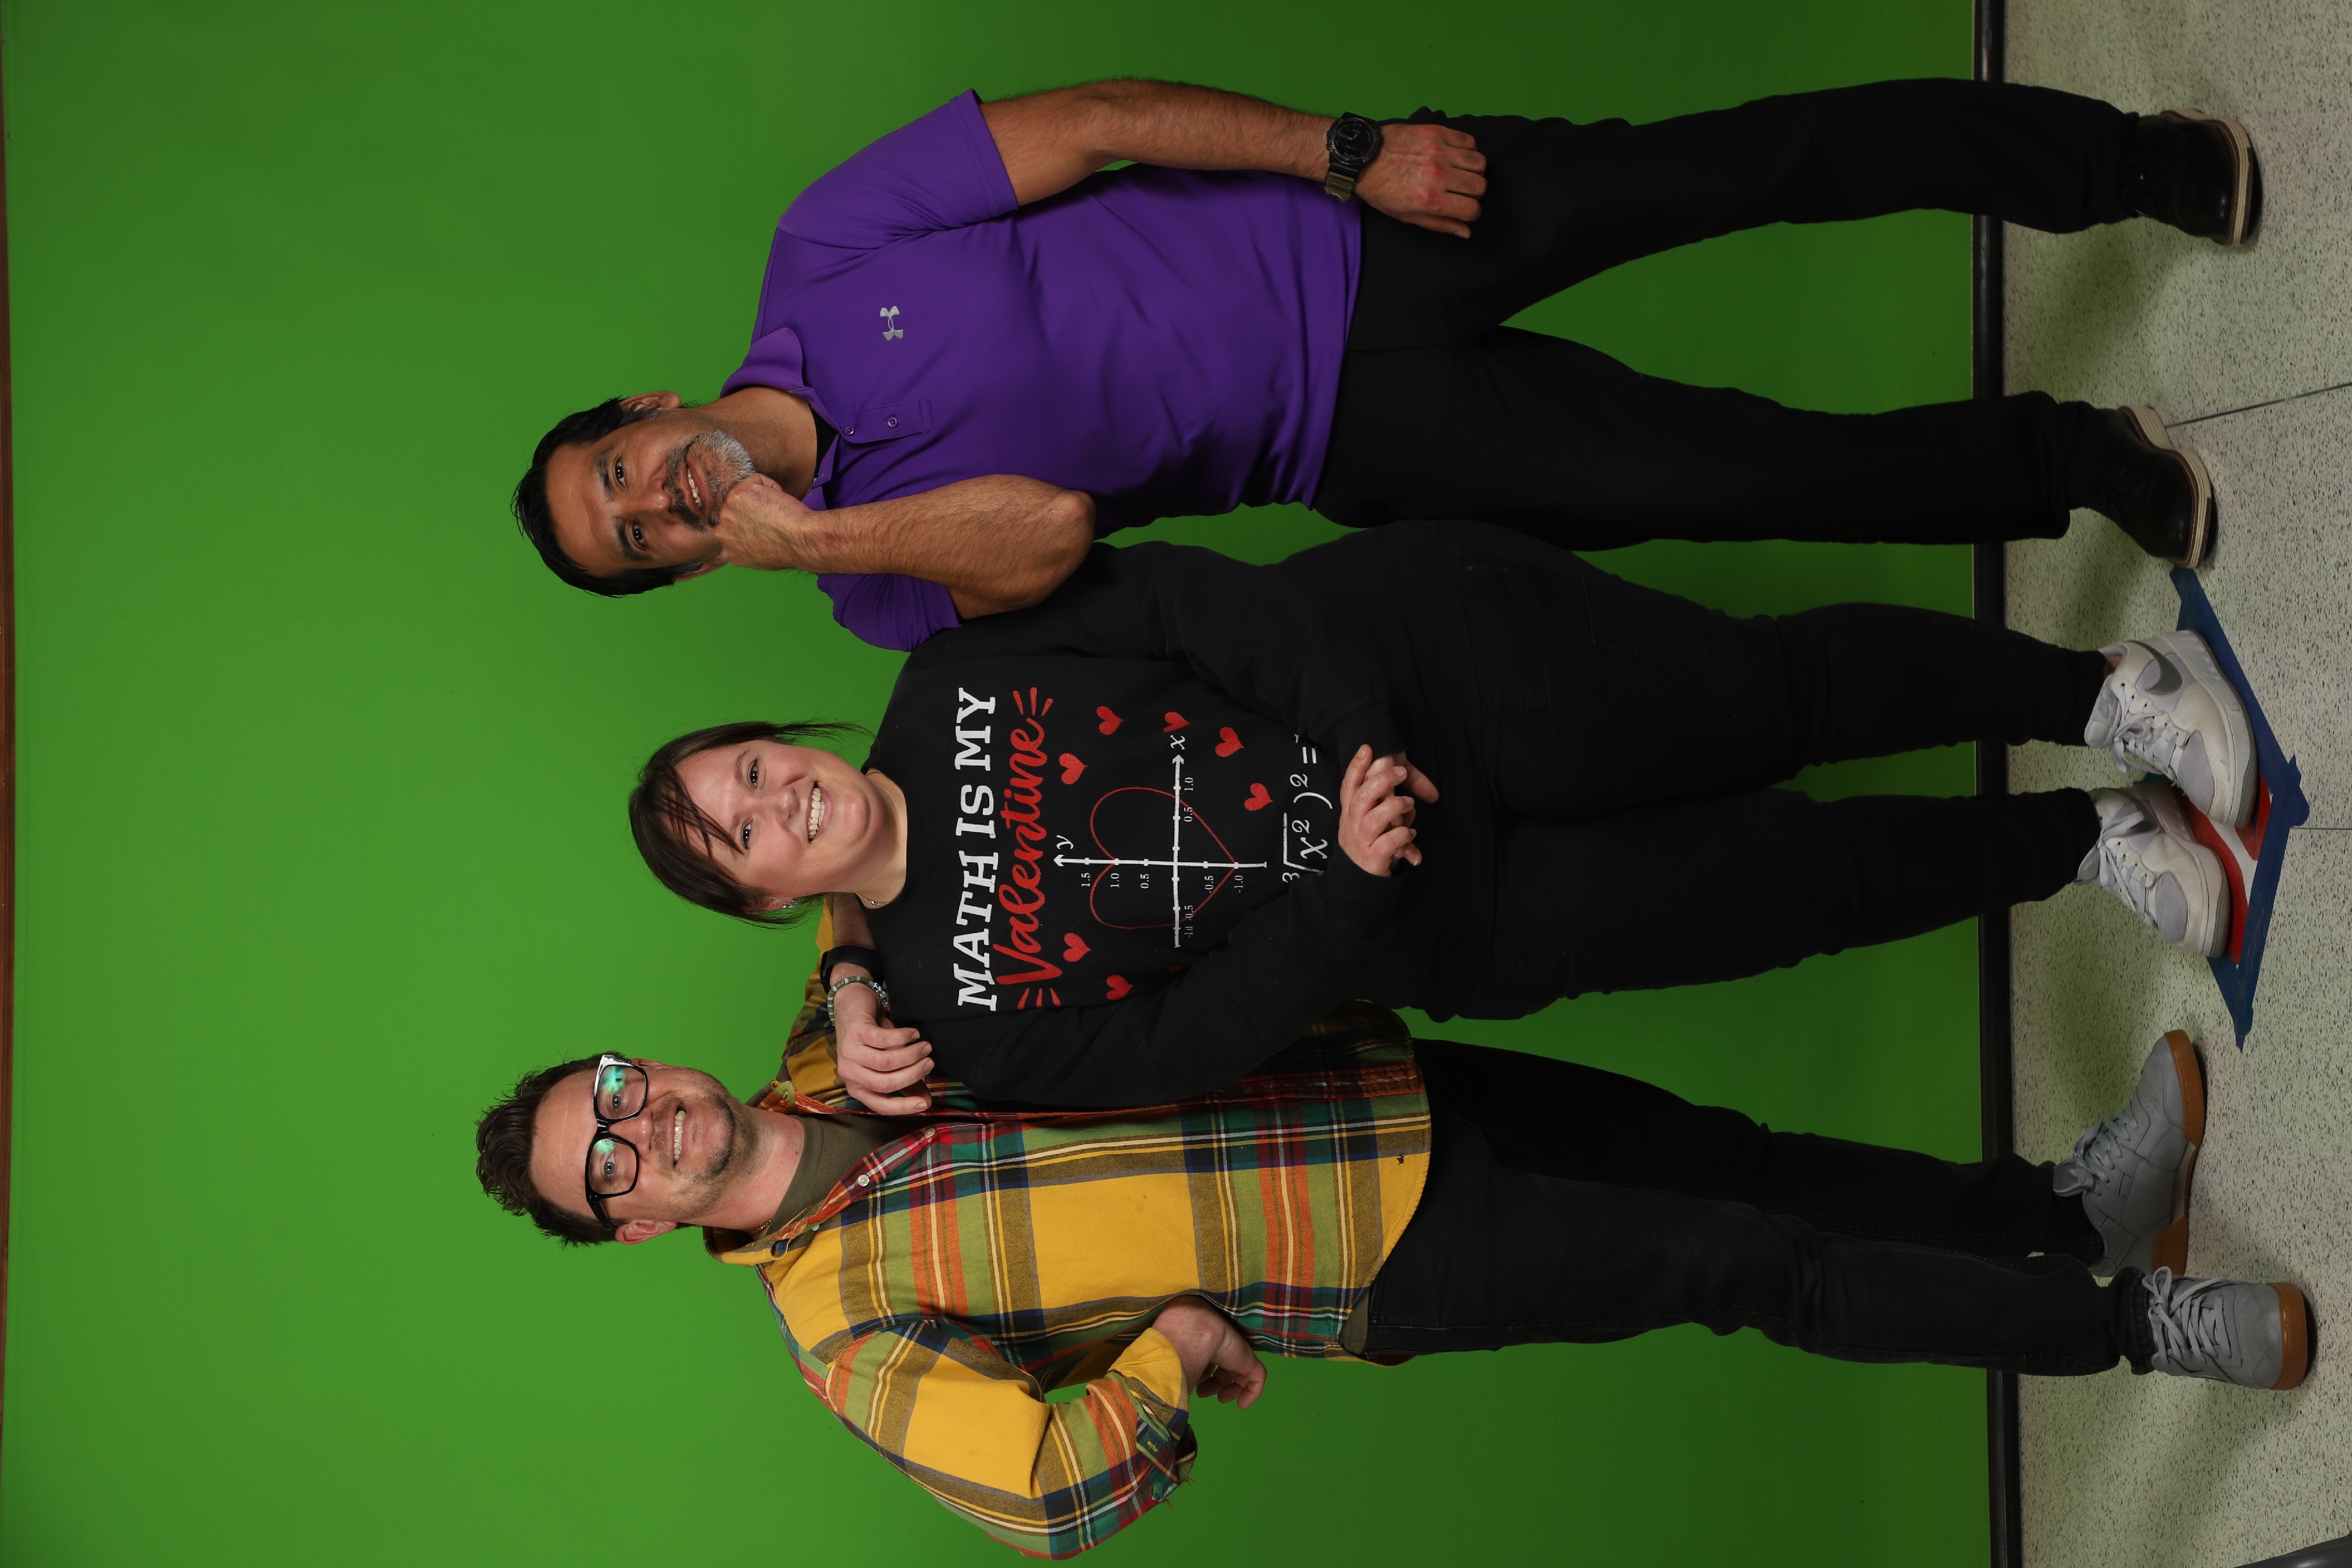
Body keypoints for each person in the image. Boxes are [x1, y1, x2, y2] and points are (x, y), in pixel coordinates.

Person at [472, 999, 2314, 1559]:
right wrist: (1168, 1352)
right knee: (1762, 1268)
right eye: (607, 1162)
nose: (645, 1126)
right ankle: (2135, 1326)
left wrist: (859, 976)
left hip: (1366, 1088)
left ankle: (2063, 1213)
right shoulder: (832, 1328)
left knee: (1738, 1157)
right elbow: (1040, 1491)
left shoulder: (830, 1035)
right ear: (635, 1227)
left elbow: (878, 859)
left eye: (614, 1089)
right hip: (1380, 1253)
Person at [509, 77, 2255, 649]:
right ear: (689, 569)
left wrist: (1349, 154)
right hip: (1361, 436)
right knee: (1747, 480)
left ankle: (2122, 163)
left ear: (646, 408)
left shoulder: (825, 247)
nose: (660, 505)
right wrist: (818, 534)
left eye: (622, 477)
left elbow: (1100, 120)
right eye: (643, 545)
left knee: (1753, 164)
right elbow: (1049, 532)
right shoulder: (867, 590)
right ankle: (2075, 461)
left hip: (1370, 231)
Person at [622, 520, 2254, 1110]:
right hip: (1447, 916)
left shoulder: (947, 676)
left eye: (748, 766)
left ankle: (2098, 693)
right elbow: (1182, 1045)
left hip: (1438, 668)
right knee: (1796, 888)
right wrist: (1346, 876)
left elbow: (1186, 598)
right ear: (766, 898)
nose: (778, 798)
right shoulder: (954, 1019)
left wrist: (1354, 742)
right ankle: (2086, 842)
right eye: (743, 832)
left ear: (775, 738)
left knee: (1777, 697)